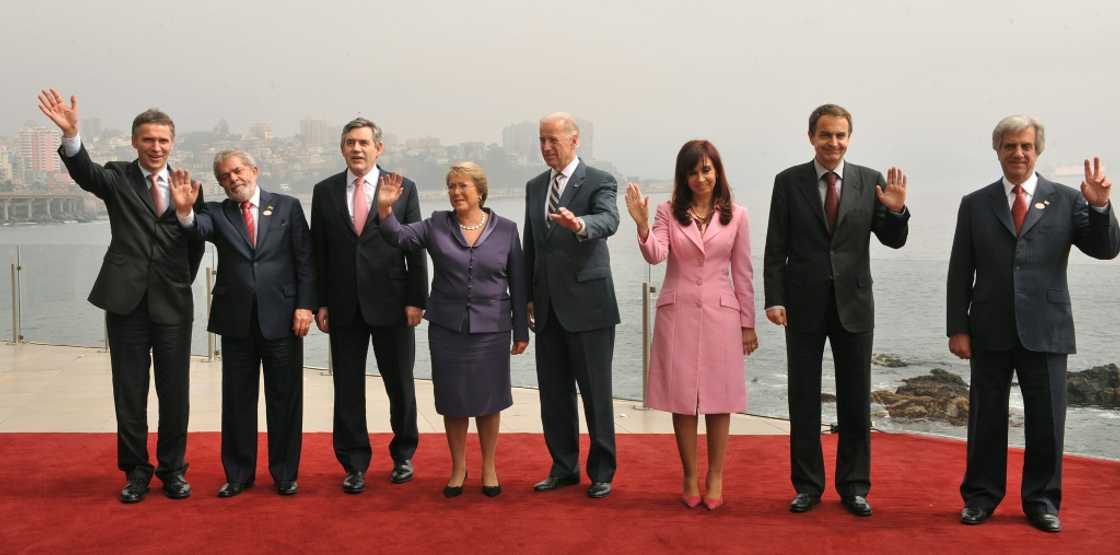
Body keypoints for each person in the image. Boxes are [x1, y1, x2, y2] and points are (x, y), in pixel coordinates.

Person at [947, 116, 1119, 533]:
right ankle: (981, 497)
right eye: (1010, 146)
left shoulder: (1067, 199)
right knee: (986, 420)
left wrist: (1099, 207)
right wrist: (958, 328)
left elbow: (1106, 248)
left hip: (1047, 327)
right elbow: (960, 270)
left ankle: (1042, 502)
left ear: (1037, 150)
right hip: (989, 327)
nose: (1018, 153)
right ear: (998, 150)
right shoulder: (975, 203)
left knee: (1047, 422)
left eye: (1025, 145)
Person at [37, 89, 204, 503]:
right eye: (148, 139)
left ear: (172, 143)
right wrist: (71, 135)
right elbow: (85, 173)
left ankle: (173, 470)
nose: (156, 147)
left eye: (163, 140)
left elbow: (195, 243)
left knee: (175, 392)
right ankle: (136, 472)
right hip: (126, 302)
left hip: (173, 304)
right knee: (129, 391)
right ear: (134, 142)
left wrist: (185, 222)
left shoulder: (186, 186)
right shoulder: (117, 177)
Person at [763, 104, 909, 516]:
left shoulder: (869, 180)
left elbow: (893, 240)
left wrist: (896, 211)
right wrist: (774, 298)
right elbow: (775, 246)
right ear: (811, 137)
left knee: (856, 399)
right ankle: (807, 486)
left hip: (855, 304)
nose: (833, 142)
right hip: (802, 305)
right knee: (803, 398)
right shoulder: (788, 182)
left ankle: (854, 486)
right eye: (826, 134)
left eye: (840, 135)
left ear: (849, 138)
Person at [377, 162, 529, 498]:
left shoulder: (506, 230)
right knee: (453, 400)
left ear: (480, 191)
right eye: (451, 186)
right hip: (447, 329)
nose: (455, 192)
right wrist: (386, 209)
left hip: (492, 330)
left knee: (490, 400)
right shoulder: (436, 224)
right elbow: (399, 237)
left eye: (462, 186)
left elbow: (518, 282)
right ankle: (458, 467)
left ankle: (489, 467)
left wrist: (521, 330)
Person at [169, 151, 315, 497]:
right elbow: (198, 229)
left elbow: (305, 259)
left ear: (254, 170)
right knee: (237, 402)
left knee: (285, 399)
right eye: (224, 176)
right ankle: (238, 475)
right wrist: (185, 211)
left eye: (237, 171)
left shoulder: (288, 206)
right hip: (236, 320)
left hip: (283, 318)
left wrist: (305, 305)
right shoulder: (216, 212)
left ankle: (285, 474)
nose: (232, 179)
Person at [624, 140, 758, 511]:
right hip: (678, 312)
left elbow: (743, 273)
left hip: (721, 314)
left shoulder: (738, 215)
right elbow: (656, 254)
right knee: (682, 398)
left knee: (719, 398)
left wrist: (747, 323)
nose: (700, 178)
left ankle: (715, 475)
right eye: (693, 172)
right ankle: (689, 475)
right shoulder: (668, 212)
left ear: (717, 172)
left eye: (706, 170)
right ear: (683, 176)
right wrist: (641, 225)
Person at [310, 118, 429, 494]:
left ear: (379, 148)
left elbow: (415, 246)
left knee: (400, 383)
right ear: (341, 148)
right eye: (350, 142)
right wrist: (320, 302)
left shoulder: (403, 187)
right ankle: (354, 463)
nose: (356, 149)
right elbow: (318, 252)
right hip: (343, 305)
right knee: (347, 387)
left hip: (393, 303)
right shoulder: (324, 191)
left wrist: (416, 299)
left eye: (363, 142)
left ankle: (404, 454)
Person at [523, 112, 620, 499]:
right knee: (554, 395)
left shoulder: (600, 180)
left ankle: (602, 471)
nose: (547, 147)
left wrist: (579, 225)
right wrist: (528, 296)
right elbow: (532, 244)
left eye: (554, 140)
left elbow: (608, 220)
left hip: (589, 307)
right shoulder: (534, 187)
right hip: (547, 309)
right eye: (542, 140)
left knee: (596, 393)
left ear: (575, 140)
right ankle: (563, 467)